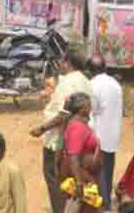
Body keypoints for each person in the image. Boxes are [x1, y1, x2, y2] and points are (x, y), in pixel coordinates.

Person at [31, 50, 92, 212]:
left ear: (67, 62)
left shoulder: (67, 83)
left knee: (55, 180)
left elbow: (64, 114)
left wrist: (41, 128)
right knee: (71, 180)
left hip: (59, 141)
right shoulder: (86, 82)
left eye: (62, 61)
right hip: (81, 138)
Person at [88, 56, 122, 208]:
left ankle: (103, 206)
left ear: (90, 70)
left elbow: (90, 109)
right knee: (107, 172)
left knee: (97, 174)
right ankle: (106, 204)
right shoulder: (115, 83)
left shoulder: (92, 85)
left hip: (98, 135)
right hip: (112, 134)